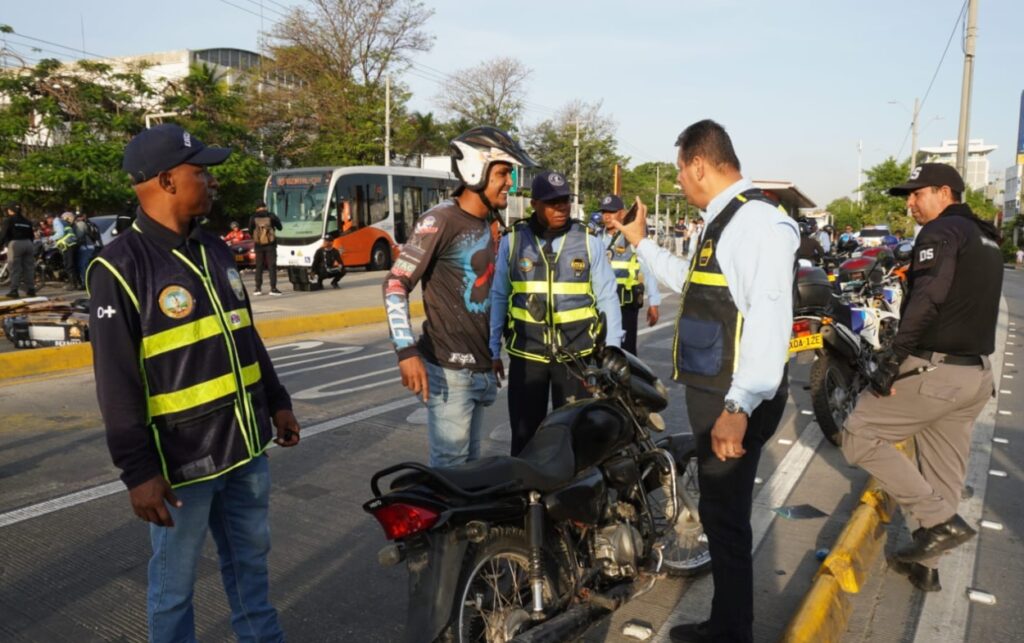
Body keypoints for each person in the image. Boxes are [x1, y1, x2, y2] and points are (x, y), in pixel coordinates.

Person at [88, 124, 300, 643]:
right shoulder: (118, 268)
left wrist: (277, 401)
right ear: (165, 180)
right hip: (183, 464)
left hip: (247, 447)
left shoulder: (215, 249)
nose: (210, 182)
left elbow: (244, 334)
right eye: (199, 172)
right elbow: (116, 385)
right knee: (174, 587)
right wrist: (138, 471)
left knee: (251, 570)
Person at [610, 120, 797, 643]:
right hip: (720, 393)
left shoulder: (755, 223)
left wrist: (738, 407)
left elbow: (769, 319)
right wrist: (641, 243)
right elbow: (688, 278)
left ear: (698, 164)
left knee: (728, 522)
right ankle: (726, 624)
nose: (680, 182)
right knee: (720, 516)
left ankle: (733, 633)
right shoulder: (724, 222)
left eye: (679, 171)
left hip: (732, 397)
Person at [841, 163, 1001, 593]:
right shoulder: (986, 236)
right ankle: (927, 566)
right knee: (944, 470)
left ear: (945, 192)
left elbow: (929, 298)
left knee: (858, 433)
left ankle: (938, 522)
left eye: (917, 194)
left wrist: (892, 360)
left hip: (936, 371)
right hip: (975, 377)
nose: (910, 203)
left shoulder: (939, 233)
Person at [384, 126, 537, 467]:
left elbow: (488, 297)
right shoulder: (440, 220)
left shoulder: (487, 223)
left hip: (480, 367)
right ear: (475, 170)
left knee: (469, 469)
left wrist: (491, 352)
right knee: (451, 472)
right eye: (502, 173)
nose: (509, 183)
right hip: (450, 370)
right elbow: (395, 284)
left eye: (509, 173)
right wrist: (405, 350)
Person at [490, 170, 623, 456]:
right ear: (535, 204)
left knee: (578, 439)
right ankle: (527, 496)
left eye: (565, 200)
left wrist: (613, 347)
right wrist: (492, 350)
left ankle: (578, 497)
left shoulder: (588, 241)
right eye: (553, 202)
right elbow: (499, 296)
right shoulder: (513, 241)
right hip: (528, 358)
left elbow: (607, 297)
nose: (562, 207)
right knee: (525, 438)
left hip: (576, 359)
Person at [597, 194, 662, 355]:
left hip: (625, 303)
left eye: (611, 212)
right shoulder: (596, 237)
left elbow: (648, 270)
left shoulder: (631, 237)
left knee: (626, 351)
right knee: (601, 348)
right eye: (604, 211)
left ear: (622, 214)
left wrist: (654, 302)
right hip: (601, 303)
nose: (607, 216)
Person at [2, 203, 36, 298]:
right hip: (28, 244)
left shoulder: (8, 220)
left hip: (16, 244)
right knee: (29, 268)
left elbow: (3, 234)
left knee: (14, 268)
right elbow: (32, 236)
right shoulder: (27, 221)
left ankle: (14, 291)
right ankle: (31, 290)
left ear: (11, 210)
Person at [249, 201, 282, 296]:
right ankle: (273, 288)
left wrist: (258, 237)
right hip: (271, 245)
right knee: (272, 266)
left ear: (257, 208)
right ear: (265, 207)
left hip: (258, 245)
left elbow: (250, 231)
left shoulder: (253, 217)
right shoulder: (271, 216)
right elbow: (280, 227)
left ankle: (258, 289)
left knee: (259, 266)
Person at [49, 211, 81, 290]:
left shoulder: (56, 221)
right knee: (73, 264)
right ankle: (78, 283)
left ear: (50, 218)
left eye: (47, 219)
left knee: (69, 265)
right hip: (72, 244)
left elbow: (60, 233)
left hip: (68, 245)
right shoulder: (63, 221)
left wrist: (51, 238)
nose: (48, 222)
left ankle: (72, 285)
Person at [73, 212, 103, 285]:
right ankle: (91, 281)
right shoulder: (91, 224)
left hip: (84, 246)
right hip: (92, 246)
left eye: (78, 217)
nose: (77, 218)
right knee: (87, 264)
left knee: (82, 265)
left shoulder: (80, 224)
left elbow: (79, 236)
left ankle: (85, 282)